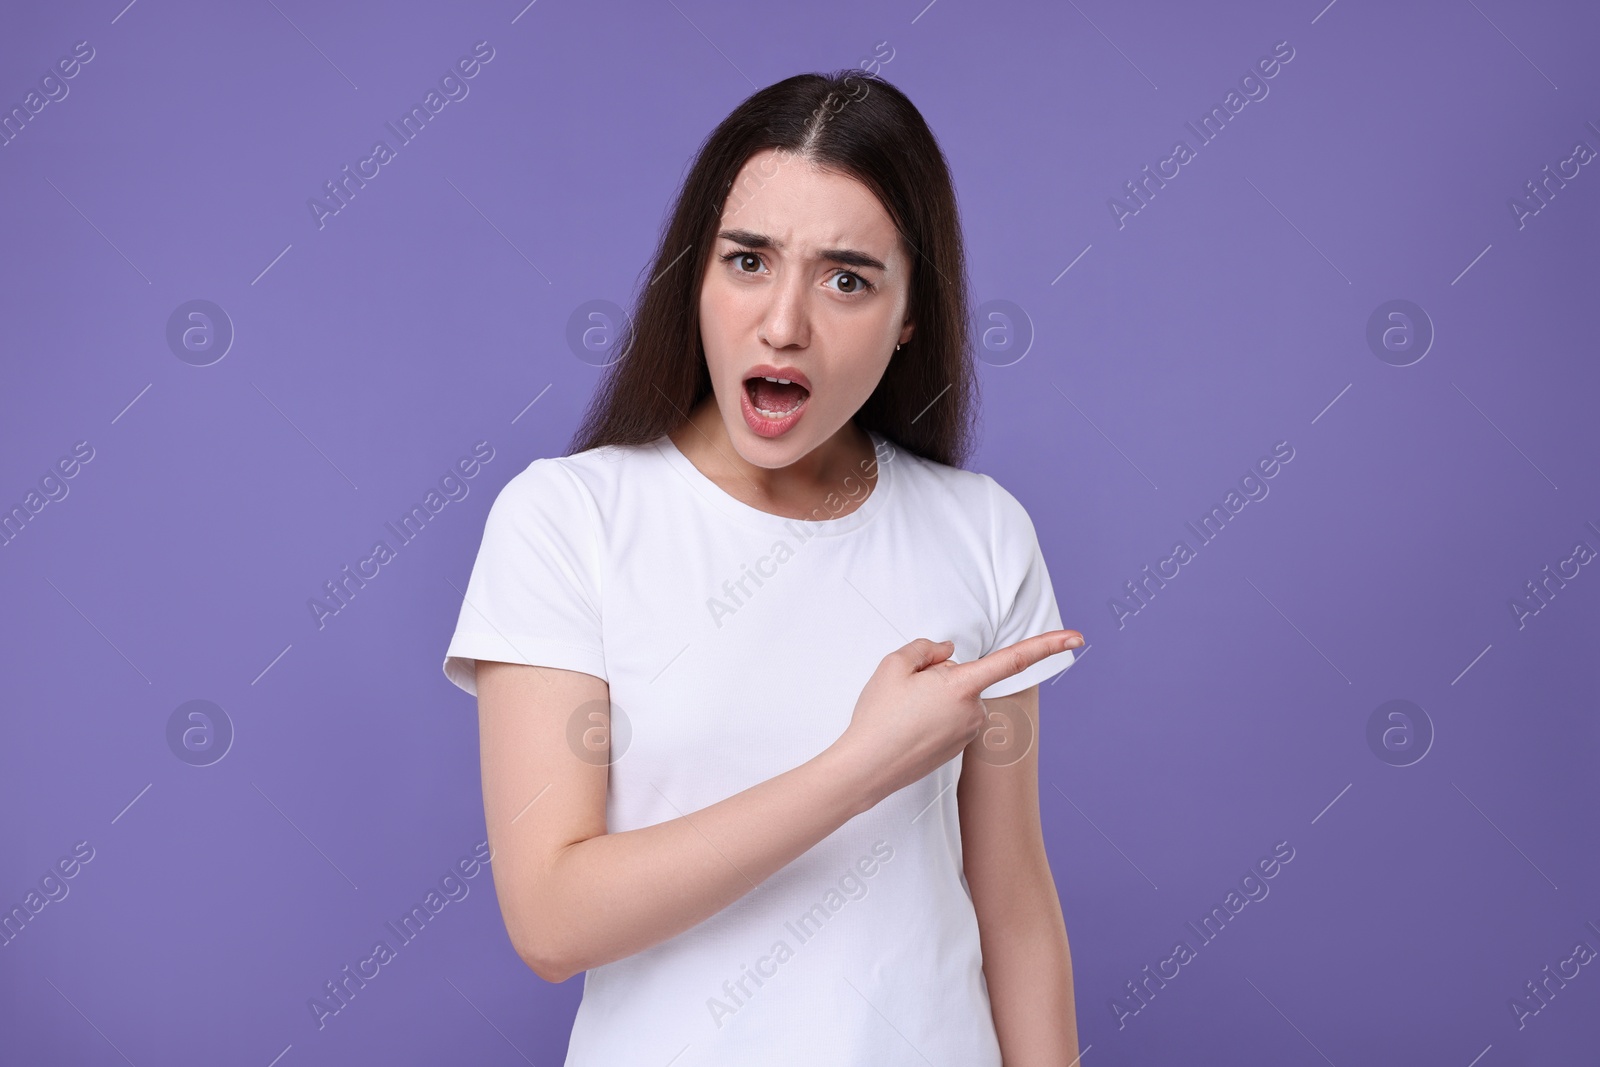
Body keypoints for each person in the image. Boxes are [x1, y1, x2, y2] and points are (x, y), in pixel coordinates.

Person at [442, 68, 1085, 1065]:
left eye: (846, 279)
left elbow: (1013, 904)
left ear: (911, 311)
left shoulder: (982, 532)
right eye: (748, 260)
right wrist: (859, 765)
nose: (784, 323)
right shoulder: (568, 520)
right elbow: (551, 918)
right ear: (695, 273)